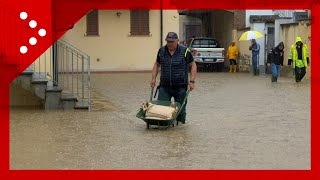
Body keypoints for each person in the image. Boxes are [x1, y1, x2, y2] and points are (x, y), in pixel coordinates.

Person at [150, 32, 197, 124]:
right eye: (168, 41)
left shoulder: (185, 51)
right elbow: (157, 64)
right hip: (164, 86)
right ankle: (164, 128)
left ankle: (180, 132)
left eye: (172, 41)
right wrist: (153, 78)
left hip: (181, 87)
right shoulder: (162, 51)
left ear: (177, 41)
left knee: (180, 112)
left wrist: (192, 81)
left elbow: (193, 65)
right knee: (162, 110)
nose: (170, 44)